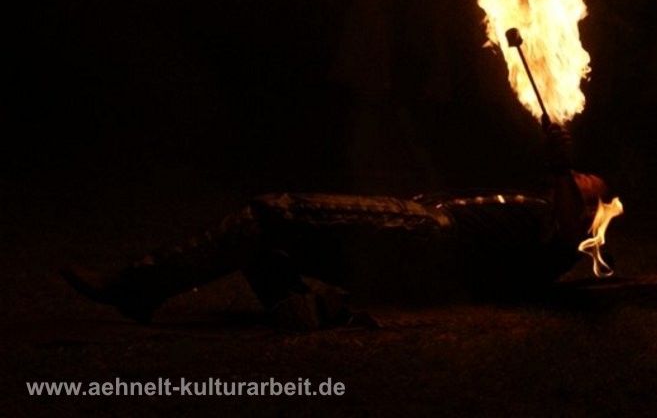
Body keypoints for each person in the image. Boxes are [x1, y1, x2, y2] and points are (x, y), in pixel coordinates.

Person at [61, 125, 607, 329]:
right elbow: (558, 203)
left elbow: (562, 227)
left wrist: (561, 163)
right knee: (266, 237)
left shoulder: (556, 244)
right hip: (412, 236)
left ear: (587, 222)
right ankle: (299, 306)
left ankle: (137, 286)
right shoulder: (542, 214)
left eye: (590, 190)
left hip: (425, 234)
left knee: (272, 213)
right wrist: (556, 164)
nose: (584, 180)